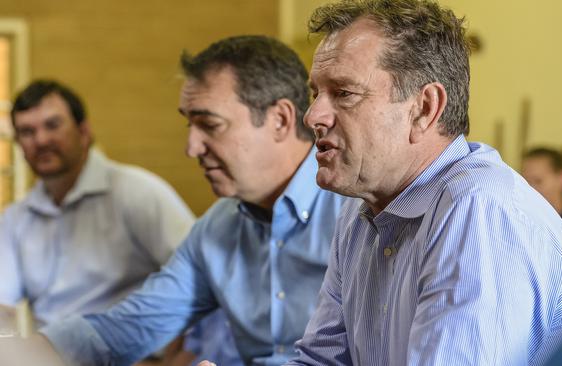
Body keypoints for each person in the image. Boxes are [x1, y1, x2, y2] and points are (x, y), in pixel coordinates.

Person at [286, 1, 562, 364]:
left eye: (343, 93)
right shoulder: (358, 215)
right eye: (316, 94)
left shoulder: (477, 208)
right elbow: (323, 361)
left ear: (424, 108)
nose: (313, 116)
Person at [0, 35, 346, 365]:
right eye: (189, 127)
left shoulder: (354, 212)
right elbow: (132, 324)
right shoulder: (217, 228)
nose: (191, 148)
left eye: (209, 125)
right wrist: (19, 355)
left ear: (280, 119)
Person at [0, 80, 195, 328]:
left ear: (84, 132)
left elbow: (200, 280)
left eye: (53, 125)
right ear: (18, 143)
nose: (41, 140)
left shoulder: (137, 192)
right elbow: (2, 306)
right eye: (27, 132)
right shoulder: (16, 218)